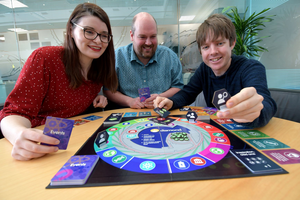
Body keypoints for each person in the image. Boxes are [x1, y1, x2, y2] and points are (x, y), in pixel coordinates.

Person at [0, 3, 118, 161]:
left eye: (104, 35)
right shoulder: (45, 58)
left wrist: (98, 96)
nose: (98, 40)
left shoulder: (99, 70)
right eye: (89, 32)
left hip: (73, 142)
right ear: (71, 30)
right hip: (37, 145)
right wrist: (17, 134)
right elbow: (13, 113)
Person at [154, 13, 277, 128]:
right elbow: (188, 93)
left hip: (246, 132)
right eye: (206, 47)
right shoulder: (204, 69)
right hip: (217, 133)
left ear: (232, 43)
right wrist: (171, 101)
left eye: (219, 43)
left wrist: (254, 112)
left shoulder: (251, 68)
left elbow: (266, 104)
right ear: (201, 51)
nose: (213, 52)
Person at [104, 12, 184, 109]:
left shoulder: (170, 57)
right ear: (132, 35)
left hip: (162, 114)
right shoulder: (117, 57)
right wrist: (129, 101)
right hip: (127, 115)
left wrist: (162, 96)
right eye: (142, 37)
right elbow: (109, 90)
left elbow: (178, 86)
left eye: (153, 36)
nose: (148, 42)